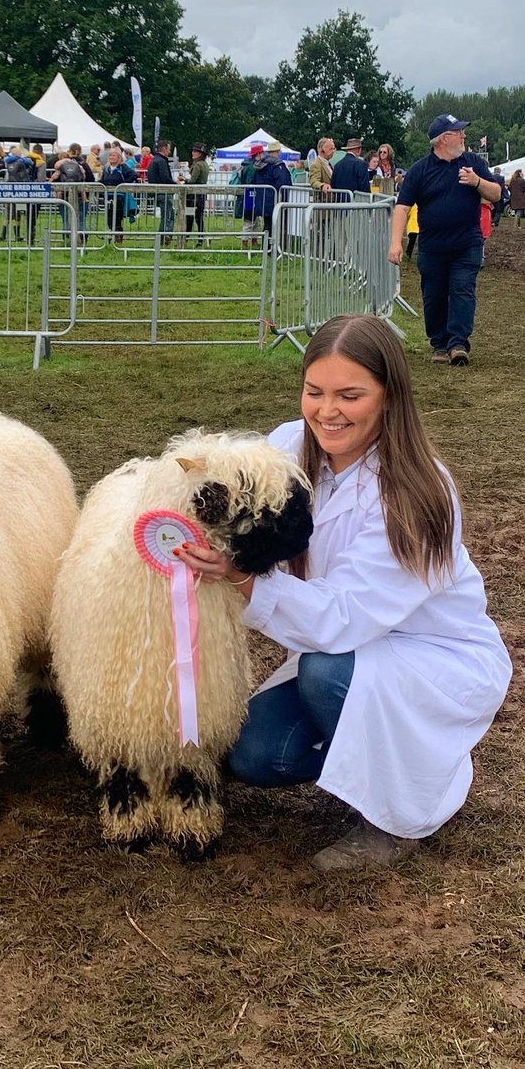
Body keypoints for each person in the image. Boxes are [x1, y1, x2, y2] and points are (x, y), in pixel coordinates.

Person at [177, 314, 511, 871]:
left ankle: (395, 814)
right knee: (255, 755)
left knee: (326, 671)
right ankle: (398, 756)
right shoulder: (288, 448)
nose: (327, 412)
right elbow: (225, 485)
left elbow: (345, 618)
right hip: (345, 646)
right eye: (315, 392)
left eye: (350, 395)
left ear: (389, 397)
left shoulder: (418, 492)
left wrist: (239, 578)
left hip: (423, 653)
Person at [389, 114, 501, 367]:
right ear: (444, 139)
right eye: (458, 131)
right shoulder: (420, 170)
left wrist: (477, 182)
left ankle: (459, 343)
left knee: (462, 289)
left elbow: (495, 194)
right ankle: (439, 343)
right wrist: (396, 242)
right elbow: (402, 208)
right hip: (432, 247)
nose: (463, 135)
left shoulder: (473, 163)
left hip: (467, 243)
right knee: (434, 295)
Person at [100, 146, 137, 241]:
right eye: (110, 155)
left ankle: (118, 237)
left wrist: (123, 184)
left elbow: (134, 175)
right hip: (108, 196)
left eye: (114, 155)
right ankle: (113, 234)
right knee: (109, 218)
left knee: (117, 218)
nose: (112, 157)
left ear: (119, 157)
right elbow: (103, 180)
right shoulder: (107, 168)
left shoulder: (123, 167)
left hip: (119, 197)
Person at [145, 138, 177, 243]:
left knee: (169, 215)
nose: (169, 151)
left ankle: (166, 236)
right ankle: (164, 237)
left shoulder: (153, 160)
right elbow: (165, 178)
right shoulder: (162, 161)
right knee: (167, 217)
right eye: (168, 149)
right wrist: (175, 184)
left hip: (156, 192)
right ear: (164, 148)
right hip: (164, 192)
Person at [187, 143, 210, 234]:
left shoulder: (197, 165)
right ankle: (200, 237)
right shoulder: (205, 164)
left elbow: (192, 180)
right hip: (202, 193)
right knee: (199, 217)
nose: (193, 153)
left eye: (195, 151)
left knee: (189, 216)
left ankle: (186, 236)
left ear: (200, 154)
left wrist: (185, 180)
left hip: (194, 195)